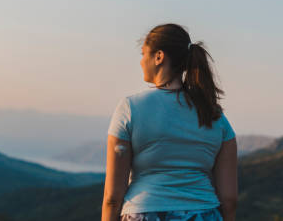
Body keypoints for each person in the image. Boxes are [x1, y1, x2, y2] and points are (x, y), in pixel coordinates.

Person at [101, 23, 238, 221]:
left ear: (158, 56)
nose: (141, 62)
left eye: (143, 54)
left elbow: (112, 197)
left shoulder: (130, 108)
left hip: (145, 213)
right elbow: (229, 199)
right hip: (204, 213)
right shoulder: (215, 116)